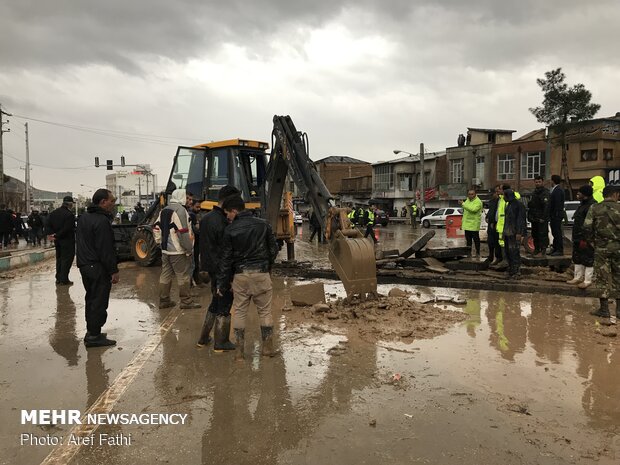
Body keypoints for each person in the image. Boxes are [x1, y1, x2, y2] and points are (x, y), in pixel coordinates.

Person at [217, 195, 279, 360]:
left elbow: (226, 260)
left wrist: (222, 283)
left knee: (240, 312)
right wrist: (267, 265)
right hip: (261, 273)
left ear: (235, 211)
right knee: (265, 312)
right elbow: (274, 249)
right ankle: (267, 349)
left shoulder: (230, 230)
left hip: (240, 276)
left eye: (228, 213)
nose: (227, 217)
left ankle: (239, 353)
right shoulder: (264, 225)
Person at [197, 186, 241, 350]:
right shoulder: (223, 223)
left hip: (210, 268)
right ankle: (221, 342)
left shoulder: (206, 218)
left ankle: (203, 338)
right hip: (222, 270)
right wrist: (229, 276)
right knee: (224, 305)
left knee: (215, 302)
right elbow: (226, 252)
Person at [76, 189, 119, 347]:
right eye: (111, 201)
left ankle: (92, 331)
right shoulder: (102, 221)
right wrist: (113, 270)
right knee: (99, 301)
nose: (113, 204)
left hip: (85, 265)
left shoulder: (84, 218)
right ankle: (94, 336)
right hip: (97, 266)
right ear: (103, 202)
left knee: (91, 298)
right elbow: (105, 249)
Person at [153, 188, 201, 310]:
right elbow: (183, 232)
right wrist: (189, 249)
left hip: (165, 250)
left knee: (165, 275)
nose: (188, 200)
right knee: (183, 276)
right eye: (186, 197)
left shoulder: (164, 210)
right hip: (178, 251)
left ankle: (164, 300)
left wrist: (159, 242)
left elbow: (156, 227)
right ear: (181, 197)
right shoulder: (181, 211)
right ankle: (186, 302)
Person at [583, 186, 620, 323]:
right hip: (619, 248)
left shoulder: (595, 208)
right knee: (618, 276)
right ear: (615, 194)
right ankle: (619, 310)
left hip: (601, 248)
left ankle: (604, 309)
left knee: (602, 277)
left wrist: (593, 243)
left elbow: (586, 227)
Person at [567, 185, 596, 288]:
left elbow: (589, 224)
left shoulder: (591, 206)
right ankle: (577, 277)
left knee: (588, 258)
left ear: (586, 195)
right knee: (577, 257)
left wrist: (585, 238)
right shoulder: (582, 205)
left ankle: (587, 280)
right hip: (577, 237)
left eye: (580, 192)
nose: (578, 194)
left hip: (585, 238)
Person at [48, 196, 77, 285]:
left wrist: (54, 235)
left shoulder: (53, 213)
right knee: (67, 260)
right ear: (70, 204)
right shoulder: (69, 215)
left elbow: (48, 224)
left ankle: (58, 278)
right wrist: (58, 234)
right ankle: (64, 279)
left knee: (59, 259)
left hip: (58, 240)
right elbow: (67, 228)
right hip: (67, 240)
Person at [502, 189, 526, 279]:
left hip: (514, 233)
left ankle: (516, 271)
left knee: (514, 252)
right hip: (508, 233)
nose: (503, 197)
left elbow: (520, 220)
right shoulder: (509, 205)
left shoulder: (518, 205)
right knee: (508, 252)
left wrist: (519, 232)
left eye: (504, 195)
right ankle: (511, 269)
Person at [527, 175, 550, 256]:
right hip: (534, 218)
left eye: (539, 182)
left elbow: (546, 206)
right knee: (535, 234)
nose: (537, 183)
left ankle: (543, 251)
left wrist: (543, 218)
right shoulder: (534, 192)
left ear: (542, 182)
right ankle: (536, 250)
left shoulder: (545, 192)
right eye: (536, 182)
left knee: (542, 234)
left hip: (541, 218)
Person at [459, 189, 483, 257]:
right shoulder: (467, 200)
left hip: (474, 224)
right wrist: (462, 224)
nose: (470, 195)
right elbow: (465, 213)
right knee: (468, 241)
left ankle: (477, 253)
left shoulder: (478, 202)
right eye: (469, 194)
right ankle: (468, 253)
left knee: (476, 240)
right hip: (467, 225)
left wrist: (463, 204)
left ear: (475, 194)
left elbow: (473, 210)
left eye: (472, 194)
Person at [486, 186, 503, 265]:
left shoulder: (500, 201)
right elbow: (491, 211)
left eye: (497, 191)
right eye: (495, 192)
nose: (496, 193)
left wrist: (494, 222)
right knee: (490, 242)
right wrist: (487, 217)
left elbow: (497, 213)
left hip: (497, 224)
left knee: (497, 243)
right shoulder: (493, 201)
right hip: (491, 225)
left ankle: (498, 257)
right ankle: (490, 256)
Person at [549, 174, 565, 256]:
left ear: (553, 181)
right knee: (554, 232)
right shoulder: (555, 190)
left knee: (557, 232)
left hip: (556, 215)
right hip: (554, 215)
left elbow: (557, 204)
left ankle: (559, 249)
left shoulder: (558, 190)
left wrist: (555, 214)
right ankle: (555, 248)